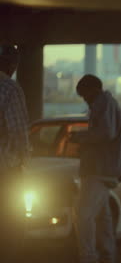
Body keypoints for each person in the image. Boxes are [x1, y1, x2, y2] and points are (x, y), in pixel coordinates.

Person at [70, 74, 121, 263]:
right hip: (103, 168)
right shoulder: (105, 103)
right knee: (103, 219)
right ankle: (107, 256)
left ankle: (88, 257)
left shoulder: (103, 103)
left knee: (83, 215)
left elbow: (106, 132)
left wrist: (80, 137)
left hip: (99, 169)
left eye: (85, 95)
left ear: (93, 90)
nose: (85, 100)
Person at [0, 45, 30, 262]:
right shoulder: (10, 88)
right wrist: (24, 161)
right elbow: (18, 131)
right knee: (11, 227)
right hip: (5, 170)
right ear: (12, 64)